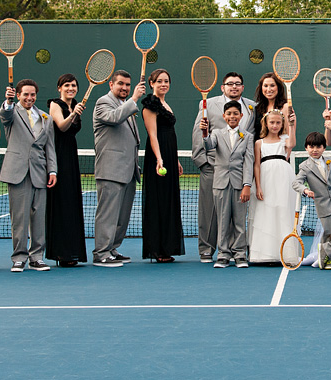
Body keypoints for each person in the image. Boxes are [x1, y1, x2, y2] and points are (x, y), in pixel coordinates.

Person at [191, 72, 256, 263]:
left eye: (238, 84)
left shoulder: (253, 106)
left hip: (240, 169)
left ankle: (238, 252)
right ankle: (207, 249)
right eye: (230, 84)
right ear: (223, 87)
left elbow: (251, 137)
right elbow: (200, 132)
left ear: (242, 87)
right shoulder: (208, 104)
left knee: (237, 216)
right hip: (213, 166)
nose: (234, 87)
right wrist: (202, 161)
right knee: (210, 212)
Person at [0, 79, 58, 273]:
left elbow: (50, 147)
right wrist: (7, 102)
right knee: (20, 218)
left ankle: (37, 257)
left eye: (32, 94)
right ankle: (19, 258)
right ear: (18, 95)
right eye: (25, 94)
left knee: (39, 218)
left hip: (39, 173)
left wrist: (52, 170)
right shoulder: (12, 112)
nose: (29, 98)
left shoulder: (45, 117)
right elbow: (4, 115)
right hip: (17, 172)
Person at [92, 70, 146, 267]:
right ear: (111, 85)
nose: (124, 88)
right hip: (111, 170)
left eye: (127, 85)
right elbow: (114, 118)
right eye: (120, 84)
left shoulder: (125, 105)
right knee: (108, 214)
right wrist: (134, 99)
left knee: (122, 215)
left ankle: (112, 248)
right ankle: (101, 253)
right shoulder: (102, 103)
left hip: (129, 171)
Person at [200, 101, 254, 268]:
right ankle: (223, 254)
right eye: (229, 113)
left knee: (239, 221)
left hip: (239, 185)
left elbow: (249, 161)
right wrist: (204, 133)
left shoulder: (248, 136)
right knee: (222, 220)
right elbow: (209, 145)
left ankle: (239, 254)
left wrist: (246, 185)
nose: (232, 116)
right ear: (224, 116)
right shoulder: (216, 133)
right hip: (220, 183)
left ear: (241, 116)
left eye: (235, 113)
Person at [141, 69, 185, 263]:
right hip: (157, 157)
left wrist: (174, 160)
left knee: (169, 200)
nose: (163, 84)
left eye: (166, 81)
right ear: (151, 83)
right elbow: (153, 135)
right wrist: (160, 159)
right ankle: (158, 250)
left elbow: (169, 133)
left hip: (169, 154)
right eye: (159, 81)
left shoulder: (165, 104)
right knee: (159, 201)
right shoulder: (150, 106)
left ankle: (167, 247)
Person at [292, 132, 331, 270]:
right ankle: (327, 260)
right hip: (323, 206)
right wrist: (305, 190)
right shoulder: (304, 167)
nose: (315, 150)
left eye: (318, 146)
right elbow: (296, 183)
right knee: (329, 232)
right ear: (306, 148)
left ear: (324, 148)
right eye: (311, 146)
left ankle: (325, 250)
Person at [46, 74, 87, 267]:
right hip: (58, 156)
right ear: (59, 88)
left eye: (74, 85)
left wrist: (75, 111)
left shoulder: (75, 104)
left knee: (72, 202)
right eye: (67, 85)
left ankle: (72, 252)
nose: (71, 88)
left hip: (71, 156)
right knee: (61, 203)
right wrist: (74, 114)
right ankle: (61, 253)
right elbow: (61, 127)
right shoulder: (55, 104)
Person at [249, 109, 296, 265]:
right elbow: (256, 165)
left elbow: (291, 144)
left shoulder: (285, 139)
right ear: (266, 123)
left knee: (282, 210)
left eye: (278, 122)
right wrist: (258, 186)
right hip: (265, 179)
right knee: (266, 211)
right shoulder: (259, 143)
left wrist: (292, 125)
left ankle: (285, 253)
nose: (275, 125)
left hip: (283, 178)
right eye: (272, 122)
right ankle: (265, 254)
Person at [253, 72, 295, 140]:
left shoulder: (285, 107)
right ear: (261, 88)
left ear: (278, 87)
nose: (269, 89)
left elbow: (289, 138)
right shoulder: (258, 108)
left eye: (272, 85)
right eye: (265, 86)